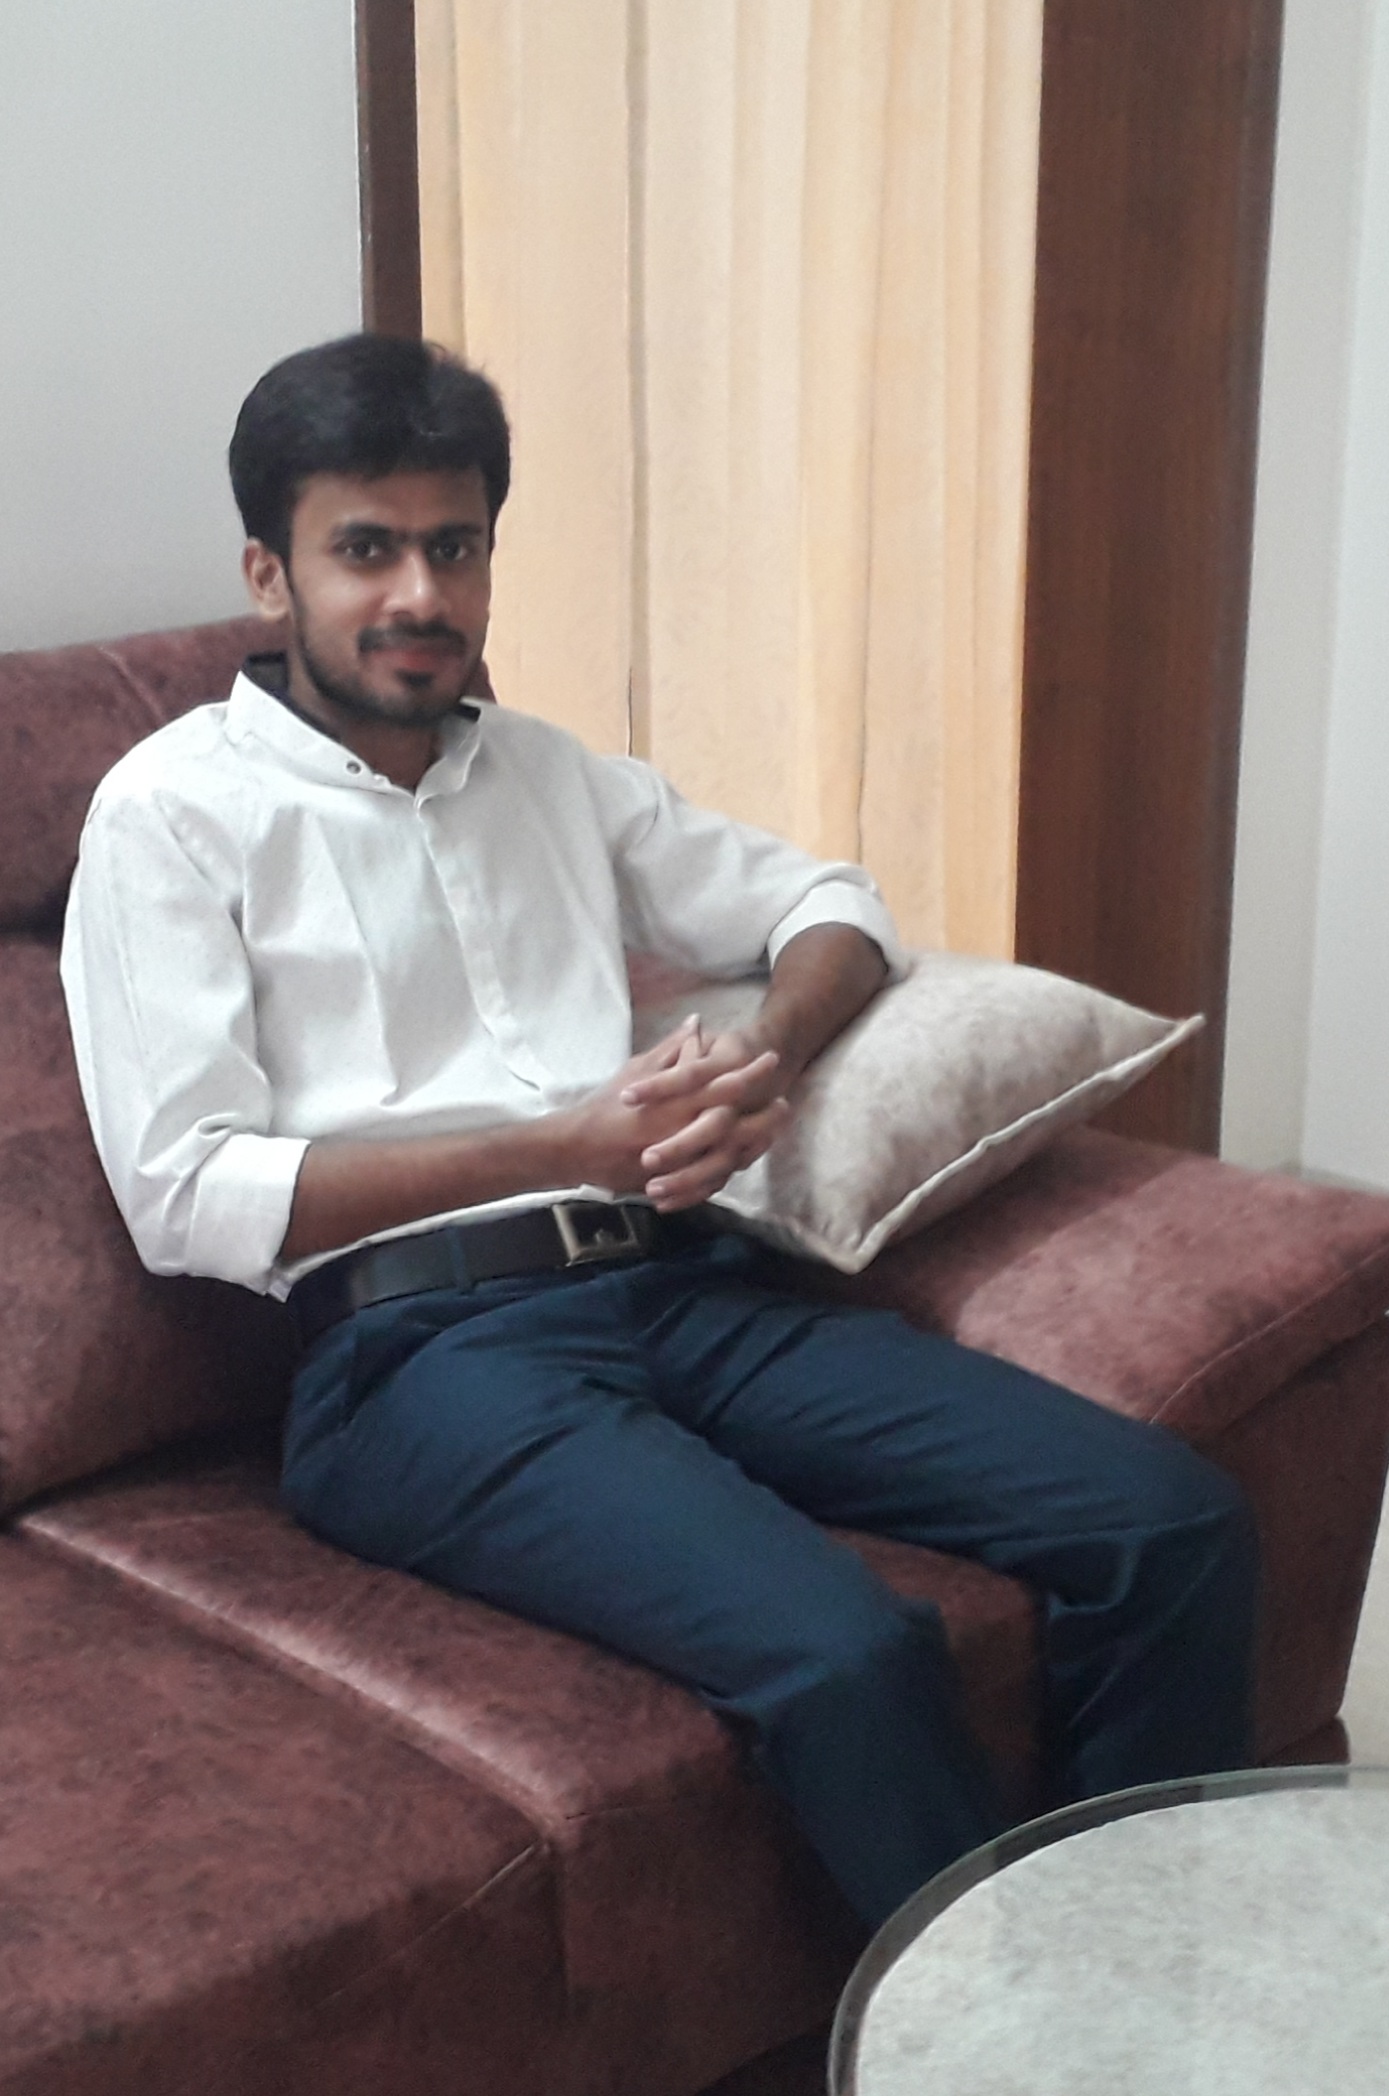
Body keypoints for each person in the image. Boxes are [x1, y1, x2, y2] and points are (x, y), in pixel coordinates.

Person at [60, 333, 1258, 1931]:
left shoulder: (552, 775)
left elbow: (831, 905)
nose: (419, 593)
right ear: (268, 574)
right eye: (367, 550)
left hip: (681, 1282)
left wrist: (764, 1054)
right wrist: (561, 1147)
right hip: (416, 1363)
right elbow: (185, 1195)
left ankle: (1135, 1974)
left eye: (455, 547)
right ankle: (998, 2030)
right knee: (848, 1651)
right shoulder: (169, 814)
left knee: (1166, 1522)